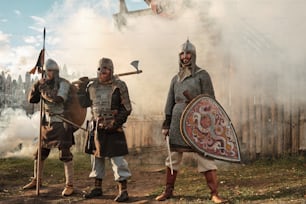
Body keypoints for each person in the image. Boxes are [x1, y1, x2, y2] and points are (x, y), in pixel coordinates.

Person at [155, 39, 227, 203]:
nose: (185, 56)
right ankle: (168, 191)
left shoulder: (202, 75)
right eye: (182, 53)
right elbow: (170, 102)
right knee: (173, 157)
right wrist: (166, 123)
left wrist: (207, 117)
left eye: (188, 53)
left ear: (193, 55)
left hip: (198, 121)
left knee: (205, 156)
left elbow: (210, 100)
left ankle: (214, 193)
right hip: (177, 120)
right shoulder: (176, 79)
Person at [77, 57, 132, 202]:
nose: (103, 71)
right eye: (100, 69)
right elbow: (84, 103)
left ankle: (123, 190)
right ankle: (97, 187)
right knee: (96, 158)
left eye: (106, 68)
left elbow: (126, 108)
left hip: (114, 128)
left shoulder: (119, 85)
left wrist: (115, 123)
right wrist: (82, 88)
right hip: (96, 127)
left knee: (118, 160)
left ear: (111, 70)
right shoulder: (93, 86)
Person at [23, 58, 75, 196]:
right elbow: (32, 100)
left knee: (65, 155)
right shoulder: (43, 83)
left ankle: (69, 184)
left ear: (56, 71)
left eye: (51, 70)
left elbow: (58, 99)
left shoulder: (64, 83)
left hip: (61, 121)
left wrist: (43, 88)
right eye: (47, 70)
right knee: (39, 153)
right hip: (46, 123)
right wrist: (36, 85)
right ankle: (37, 180)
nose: (48, 73)